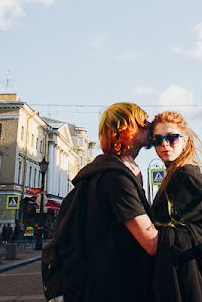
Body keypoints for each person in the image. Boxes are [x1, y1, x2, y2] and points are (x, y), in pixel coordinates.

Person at [65, 102, 156, 301]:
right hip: (116, 288)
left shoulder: (117, 171)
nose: (150, 126)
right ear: (127, 130)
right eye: (143, 123)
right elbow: (151, 242)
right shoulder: (116, 179)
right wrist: (197, 235)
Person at [150, 111, 202, 302]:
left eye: (172, 138)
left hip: (183, 274)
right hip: (179, 268)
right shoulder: (174, 174)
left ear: (185, 140)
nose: (164, 144)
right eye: (157, 139)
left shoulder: (186, 175)